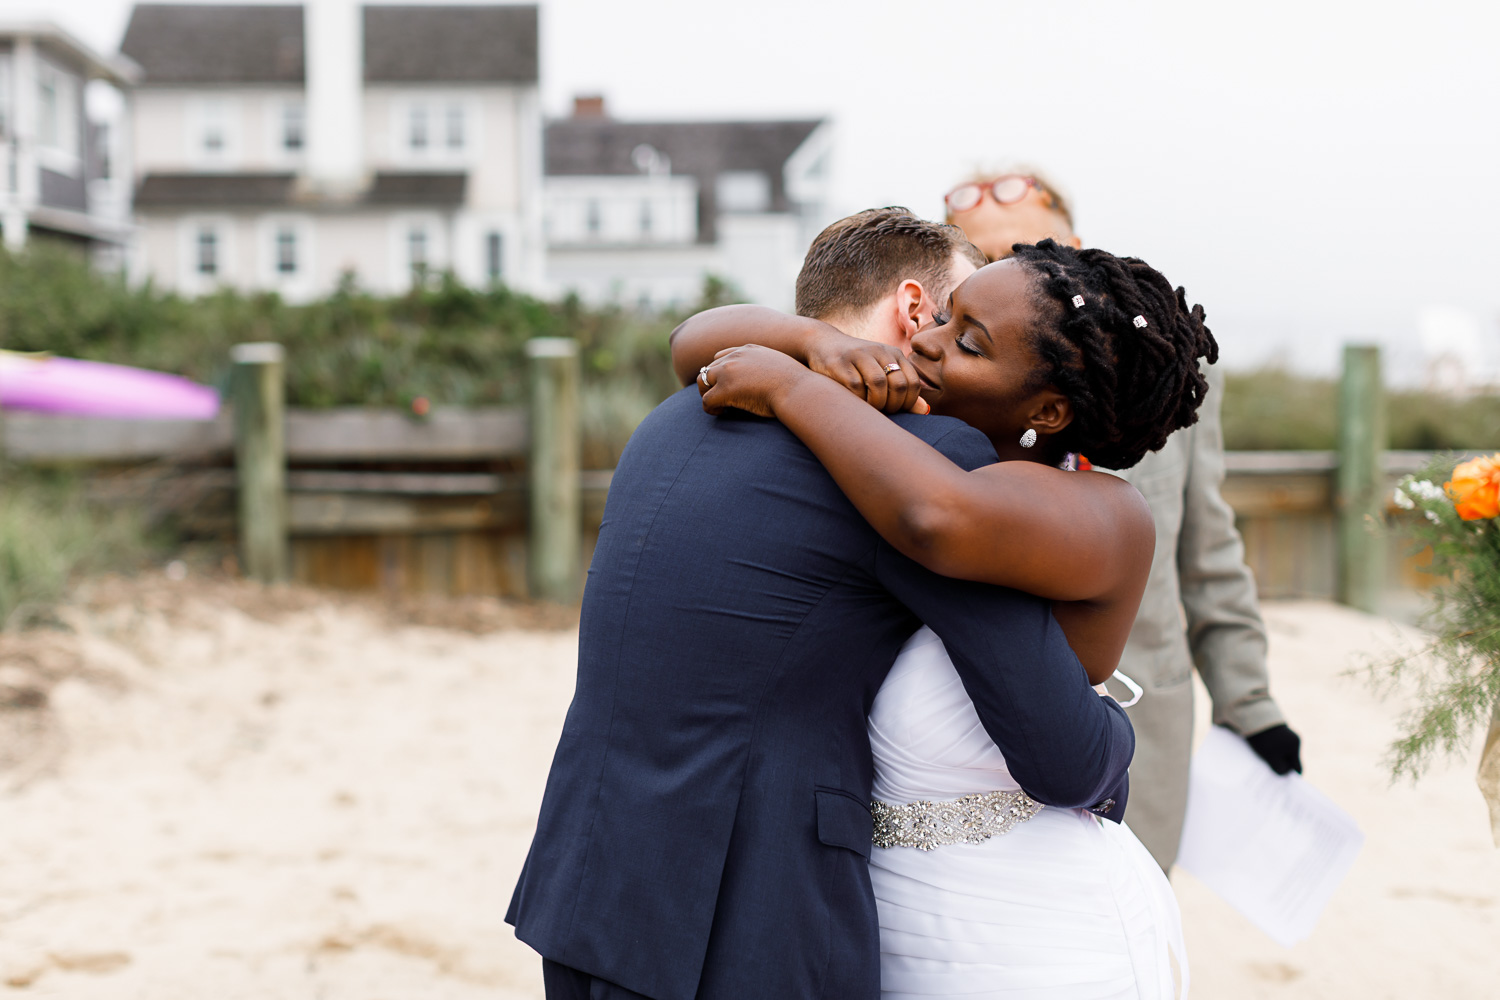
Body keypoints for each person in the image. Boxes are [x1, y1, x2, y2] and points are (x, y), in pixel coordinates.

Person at [508, 209, 1134, 1000]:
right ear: (914, 312)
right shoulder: (913, 462)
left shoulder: (678, 414)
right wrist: (1114, 741)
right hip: (750, 916)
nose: (945, 344)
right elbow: (1062, 753)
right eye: (952, 320)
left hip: (589, 881)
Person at [676, 222, 1209, 997]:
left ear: (1050, 412)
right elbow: (694, 343)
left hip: (1031, 935)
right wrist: (810, 340)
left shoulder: (1103, 514)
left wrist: (793, 385)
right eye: (944, 315)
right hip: (885, 918)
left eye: (971, 344)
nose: (928, 341)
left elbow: (936, 518)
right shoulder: (904, 438)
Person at [945, 171, 1303, 869]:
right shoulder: (932, 388)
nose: (1003, 269)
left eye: (1023, 249)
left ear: (1072, 251)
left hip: (1146, 718)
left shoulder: (1164, 373)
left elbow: (1208, 550)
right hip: (980, 736)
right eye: (980, 259)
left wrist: (1251, 704)